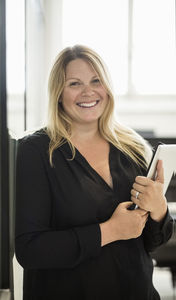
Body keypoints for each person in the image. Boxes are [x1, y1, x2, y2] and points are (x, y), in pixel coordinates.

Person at [15, 45, 173, 300]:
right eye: (75, 83)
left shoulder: (132, 147)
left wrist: (159, 210)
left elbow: (151, 242)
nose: (88, 92)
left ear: (107, 88)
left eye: (96, 80)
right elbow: (30, 250)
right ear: (58, 94)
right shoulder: (35, 152)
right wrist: (110, 230)